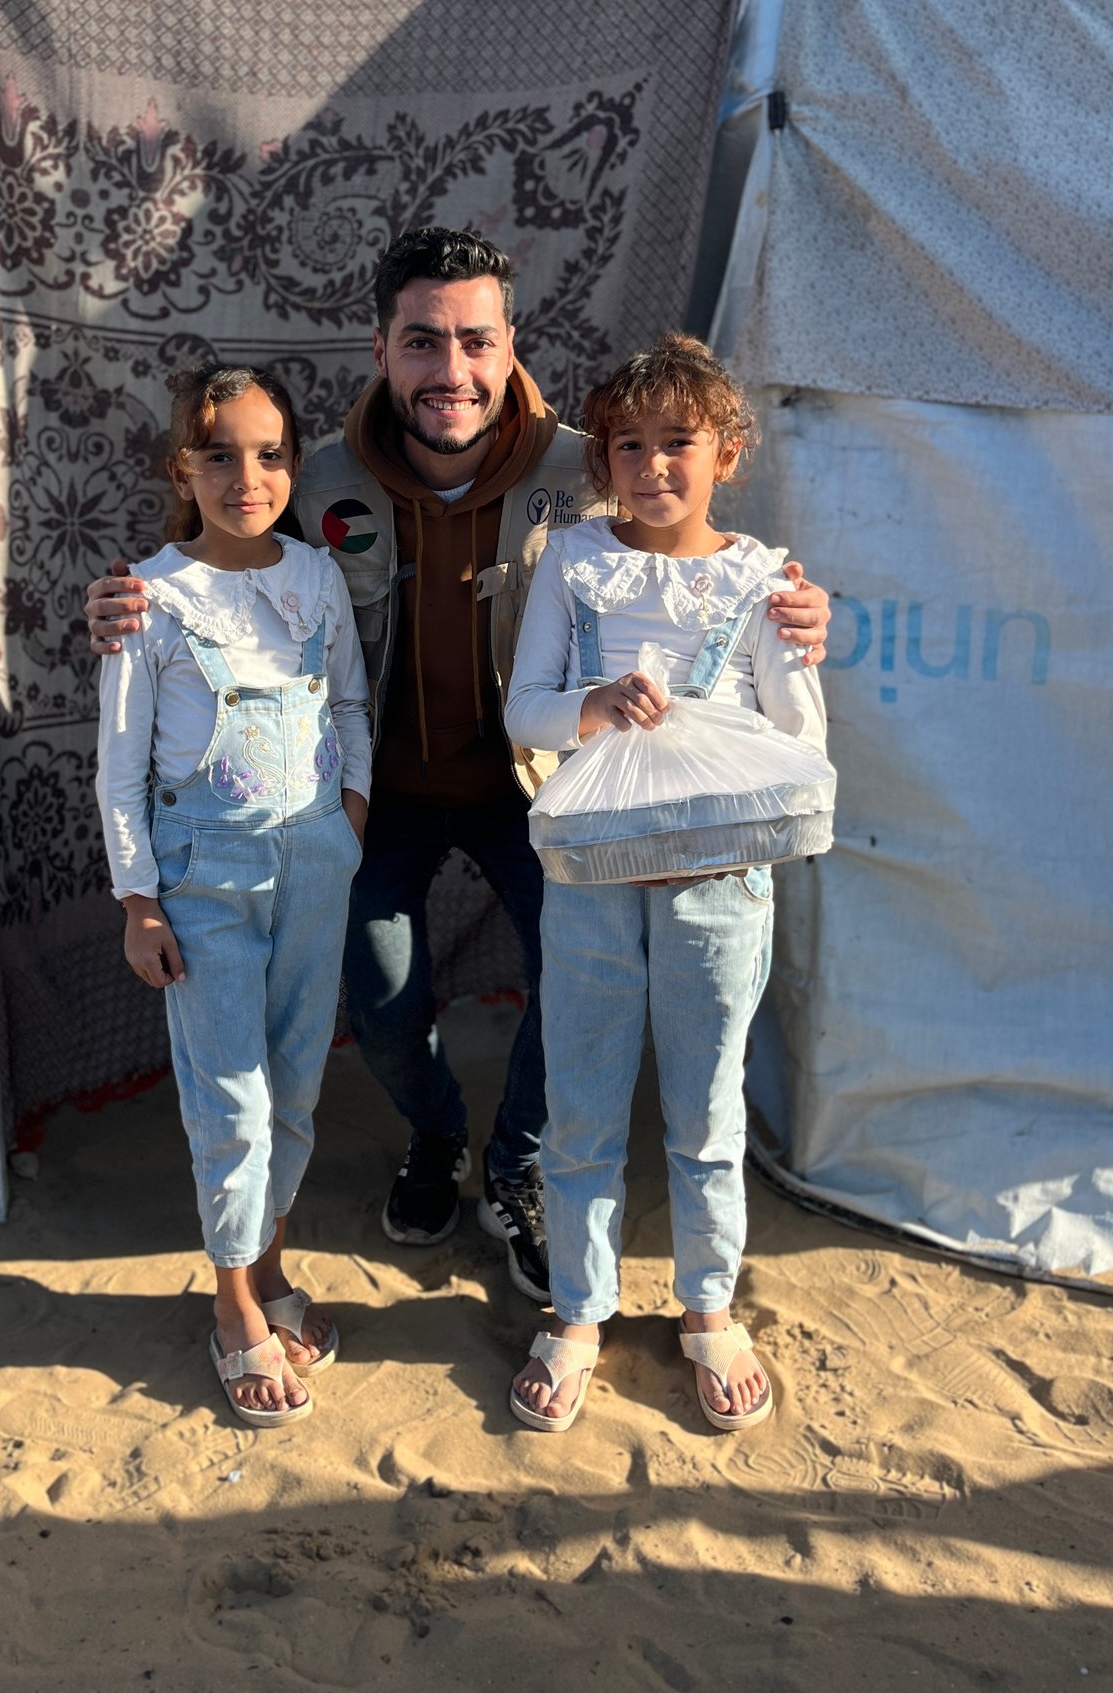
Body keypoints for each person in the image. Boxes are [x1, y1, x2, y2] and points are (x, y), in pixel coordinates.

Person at [86, 228, 832, 1307]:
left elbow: (691, 545)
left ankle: (517, 1162)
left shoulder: (592, 461)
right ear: (382, 347)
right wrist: (124, 602)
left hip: (545, 796)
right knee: (381, 1001)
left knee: (567, 983)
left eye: (474, 341)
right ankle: (436, 1133)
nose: (452, 371)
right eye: (423, 342)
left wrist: (791, 605)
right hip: (366, 800)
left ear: (508, 342)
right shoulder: (313, 475)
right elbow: (222, 566)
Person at [503, 332, 827, 1434]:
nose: (652, 467)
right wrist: (592, 707)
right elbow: (526, 709)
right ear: (602, 460)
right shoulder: (574, 561)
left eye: (678, 442)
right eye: (627, 445)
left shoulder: (763, 578)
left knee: (705, 1105)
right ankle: (581, 1306)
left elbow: (796, 733)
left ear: (725, 452)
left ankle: (706, 1307)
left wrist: (794, 657)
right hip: (593, 873)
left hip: (720, 882)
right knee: (581, 1102)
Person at [95, 363, 371, 1429]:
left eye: (267, 454)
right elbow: (121, 764)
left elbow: (345, 698)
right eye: (219, 454)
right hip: (203, 878)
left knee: (294, 1084)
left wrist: (347, 815)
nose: (245, 475)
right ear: (183, 467)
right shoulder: (151, 597)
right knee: (233, 1102)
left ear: (293, 466)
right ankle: (232, 1310)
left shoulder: (315, 576)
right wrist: (139, 903)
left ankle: (271, 1270)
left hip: (314, 862)